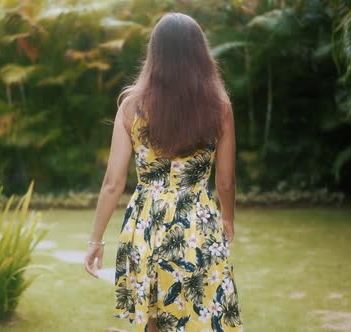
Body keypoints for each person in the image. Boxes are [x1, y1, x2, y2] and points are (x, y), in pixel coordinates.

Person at [84, 12, 243, 332]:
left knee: (152, 322)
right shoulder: (219, 106)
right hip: (198, 225)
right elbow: (225, 181)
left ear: (154, 54)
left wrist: (96, 240)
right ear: (200, 53)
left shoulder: (132, 107)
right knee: (202, 316)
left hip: (147, 226)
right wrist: (227, 218)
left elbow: (113, 183)